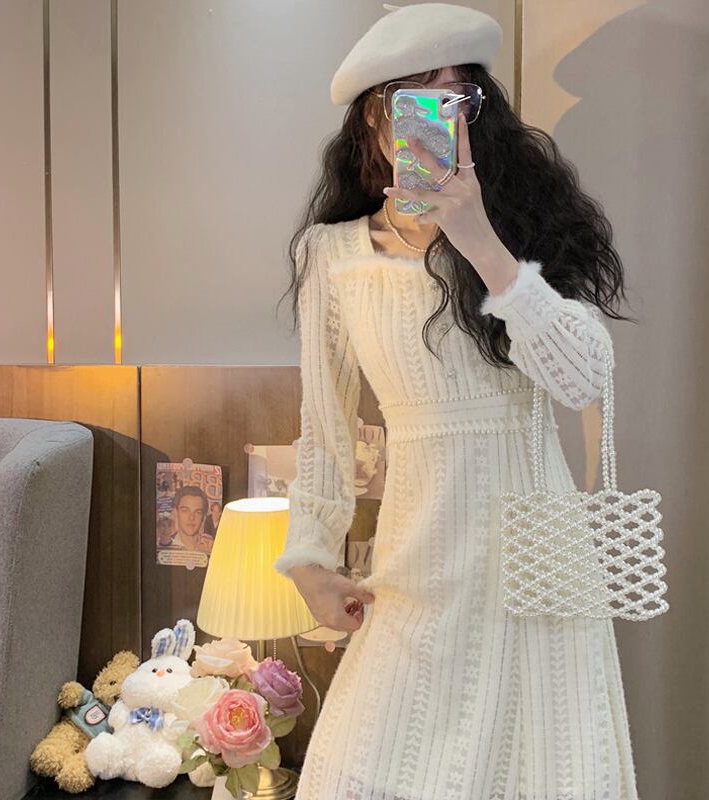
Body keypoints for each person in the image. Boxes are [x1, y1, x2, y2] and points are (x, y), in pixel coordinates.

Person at [274, 4, 639, 799]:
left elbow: (582, 378)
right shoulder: (333, 257)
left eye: (458, 98)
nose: (439, 118)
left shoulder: (522, 235)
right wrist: (308, 560)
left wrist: (478, 238)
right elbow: (324, 433)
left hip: (539, 567)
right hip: (417, 563)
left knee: (542, 773)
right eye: (414, 99)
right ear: (373, 120)